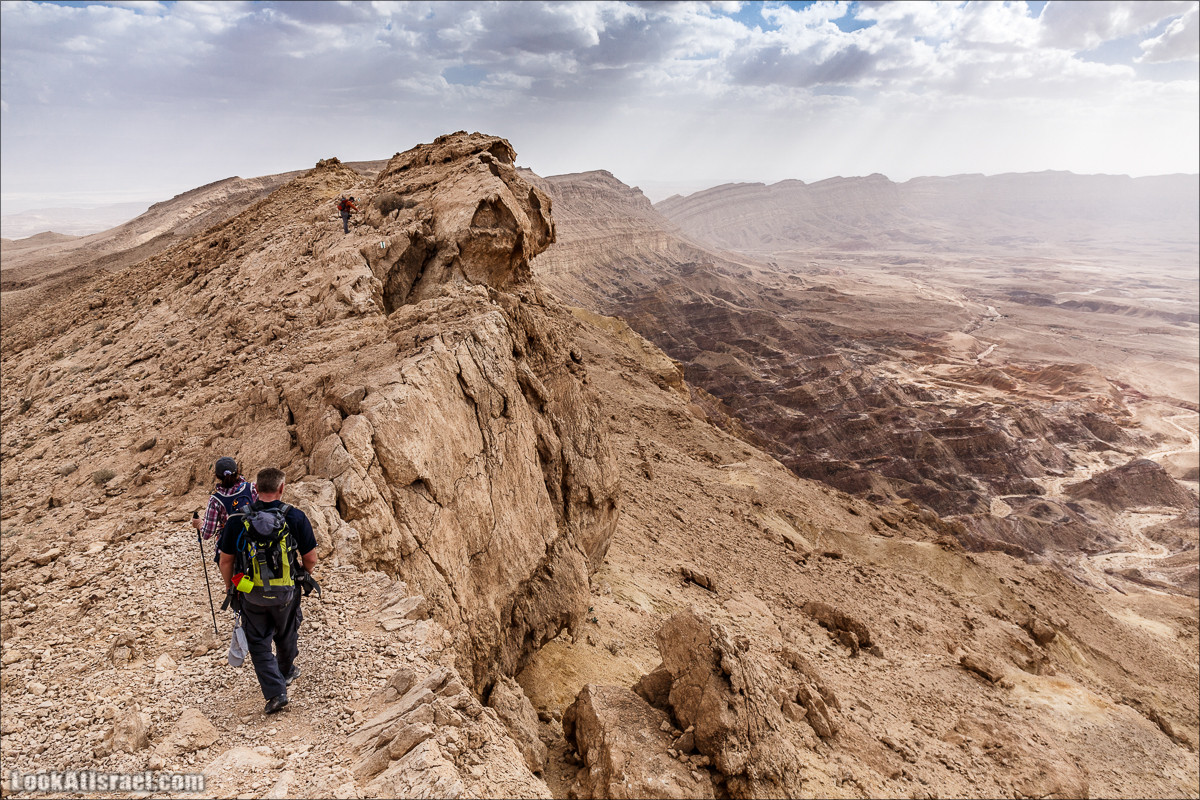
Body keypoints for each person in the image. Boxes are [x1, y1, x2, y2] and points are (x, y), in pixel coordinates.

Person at [218, 467, 318, 714]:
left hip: (250, 591)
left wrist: (231, 587)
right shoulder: (294, 516)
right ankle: (286, 671)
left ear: (255, 489)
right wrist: (302, 574)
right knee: (287, 632)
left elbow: (225, 560)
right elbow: (311, 558)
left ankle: (276, 693)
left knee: (258, 642)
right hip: (286, 592)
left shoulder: (237, 520)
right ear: (282, 488)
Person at [192, 456, 256, 564]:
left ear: (217, 476)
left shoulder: (215, 500)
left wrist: (198, 524)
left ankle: (228, 576)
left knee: (225, 563)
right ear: (238, 471)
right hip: (254, 539)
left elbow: (207, 533)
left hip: (230, 544)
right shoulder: (252, 488)